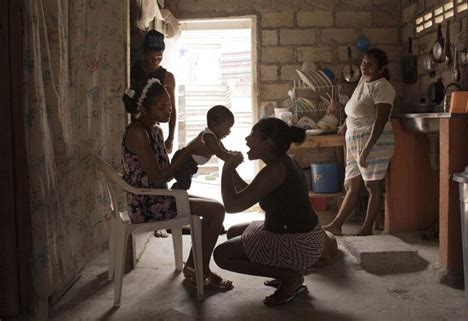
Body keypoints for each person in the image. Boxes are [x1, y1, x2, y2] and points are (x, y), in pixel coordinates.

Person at [122, 78, 233, 290]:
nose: (169, 110)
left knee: (216, 208)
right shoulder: (138, 132)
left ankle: (195, 268)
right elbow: (157, 178)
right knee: (216, 211)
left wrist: (189, 159)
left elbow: (165, 173)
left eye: (169, 104)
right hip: (146, 204)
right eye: (162, 107)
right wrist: (188, 153)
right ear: (144, 110)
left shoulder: (155, 131)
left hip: (160, 196)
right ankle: (197, 271)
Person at [213, 118, 337, 306]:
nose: (247, 140)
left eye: (253, 136)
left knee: (222, 255)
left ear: (268, 142)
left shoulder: (276, 169)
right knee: (233, 232)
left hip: (299, 243)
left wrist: (227, 168)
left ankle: (289, 277)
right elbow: (249, 193)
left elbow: (232, 206)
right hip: (301, 235)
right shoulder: (282, 163)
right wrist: (231, 170)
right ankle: (285, 272)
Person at [323, 48, 396, 236]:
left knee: (373, 186)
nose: (365, 67)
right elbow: (355, 108)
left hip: (374, 143)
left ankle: (366, 229)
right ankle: (336, 224)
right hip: (355, 142)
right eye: (364, 62)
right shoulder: (363, 81)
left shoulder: (383, 87)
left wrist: (367, 149)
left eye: (370, 64)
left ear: (381, 68)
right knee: (352, 185)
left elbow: (380, 121)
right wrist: (345, 125)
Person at [171, 105, 238, 190]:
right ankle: (173, 194)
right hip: (184, 161)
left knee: (185, 184)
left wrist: (232, 154)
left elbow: (224, 151)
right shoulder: (209, 137)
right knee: (184, 184)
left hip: (192, 164)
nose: (229, 132)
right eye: (226, 128)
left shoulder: (216, 139)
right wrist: (232, 158)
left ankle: (176, 195)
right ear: (214, 125)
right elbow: (220, 153)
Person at [131, 29, 176, 154]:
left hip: (153, 128)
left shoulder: (168, 78)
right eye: (152, 57)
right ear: (144, 53)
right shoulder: (132, 69)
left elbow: (172, 109)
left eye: (159, 57)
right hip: (133, 125)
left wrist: (171, 137)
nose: (155, 61)